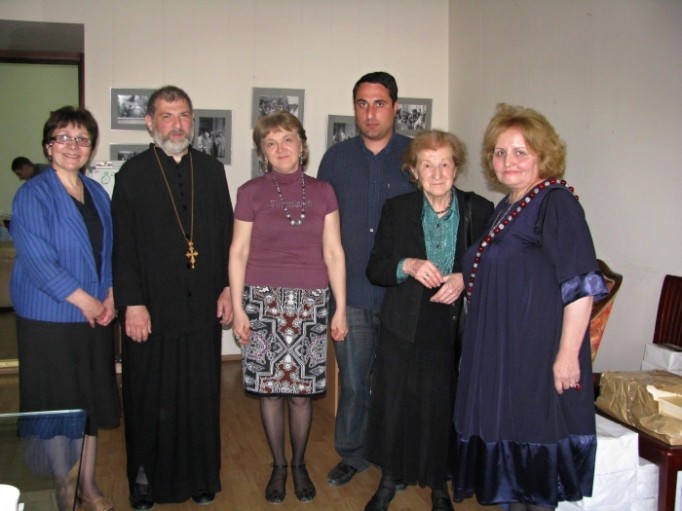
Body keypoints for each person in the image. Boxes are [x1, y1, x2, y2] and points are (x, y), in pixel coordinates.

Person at [452, 103, 609, 511]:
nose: (508, 161)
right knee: (514, 461)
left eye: (520, 152)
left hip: (536, 353)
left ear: (543, 154)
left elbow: (581, 286)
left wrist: (567, 356)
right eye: (500, 152)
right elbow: (501, 266)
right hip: (503, 352)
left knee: (535, 459)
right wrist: (459, 279)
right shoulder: (509, 205)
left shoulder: (555, 202)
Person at [111, 85, 233, 509]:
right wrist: (132, 303)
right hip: (151, 309)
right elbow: (122, 246)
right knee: (149, 397)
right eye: (167, 116)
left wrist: (228, 287)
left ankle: (201, 477)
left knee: (200, 395)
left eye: (183, 116)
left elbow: (226, 235)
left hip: (201, 307)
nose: (177, 125)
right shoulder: (132, 175)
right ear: (150, 122)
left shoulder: (211, 171)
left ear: (192, 121)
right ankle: (146, 482)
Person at [364, 130, 493, 511]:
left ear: (456, 167)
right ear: (414, 171)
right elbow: (376, 267)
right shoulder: (397, 209)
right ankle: (389, 479)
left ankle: (439, 484)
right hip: (403, 321)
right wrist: (407, 264)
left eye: (444, 164)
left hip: (451, 325)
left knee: (442, 405)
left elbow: (493, 268)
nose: (436, 174)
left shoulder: (479, 209)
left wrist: (464, 278)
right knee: (394, 402)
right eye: (427, 165)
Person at [230, 111, 348, 504]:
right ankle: (278, 466)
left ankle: (299, 464)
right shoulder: (250, 192)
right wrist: (239, 308)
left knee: (301, 394)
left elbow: (334, 252)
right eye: (271, 142)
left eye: (287, 139)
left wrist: (340, 308)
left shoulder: (324, 191)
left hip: (311, 302)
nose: (280, 148)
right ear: (262, 152)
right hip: (262, 302)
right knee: (269, 392)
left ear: (302, 144)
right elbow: (238, 252)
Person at [10, 107, 120, 511]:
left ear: (91, 147)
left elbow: (109, 252)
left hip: (94, 318)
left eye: (82, 139)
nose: (73, 146)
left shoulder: (97, 193)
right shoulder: (32, 194)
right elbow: (38, 262)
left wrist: (110, 294)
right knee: (59, 407)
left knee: (88, 402)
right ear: (48, 146)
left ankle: (87, 484)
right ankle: (63, 486)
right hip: (49, 319)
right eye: (63, 137)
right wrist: (87, 301)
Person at [317, 71, 416, 488]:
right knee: (355, 383)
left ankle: (394, 457)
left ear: (395, 106)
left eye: (379, 103)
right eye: (362, 104)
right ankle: (353, 454)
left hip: (402, 294)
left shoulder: (416, 155)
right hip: (352, 292)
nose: (370, 113)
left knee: (397, 384)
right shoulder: (335, 159)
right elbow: (320, 227)